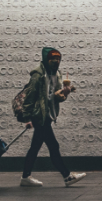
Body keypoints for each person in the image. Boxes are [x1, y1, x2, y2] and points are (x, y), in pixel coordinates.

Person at [19, 46, 86, 187]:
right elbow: (29, 97)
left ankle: (25, 177)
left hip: (48, 116)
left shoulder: (57, 74)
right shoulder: (38, 75)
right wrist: (27, 118)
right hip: (39, 116)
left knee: (35, 147)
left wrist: (65, 93)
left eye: (58, 59)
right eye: (52, 59)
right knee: (53, 146)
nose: (55, 61)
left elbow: (57, 97)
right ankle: (67, 176)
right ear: (46, 59)